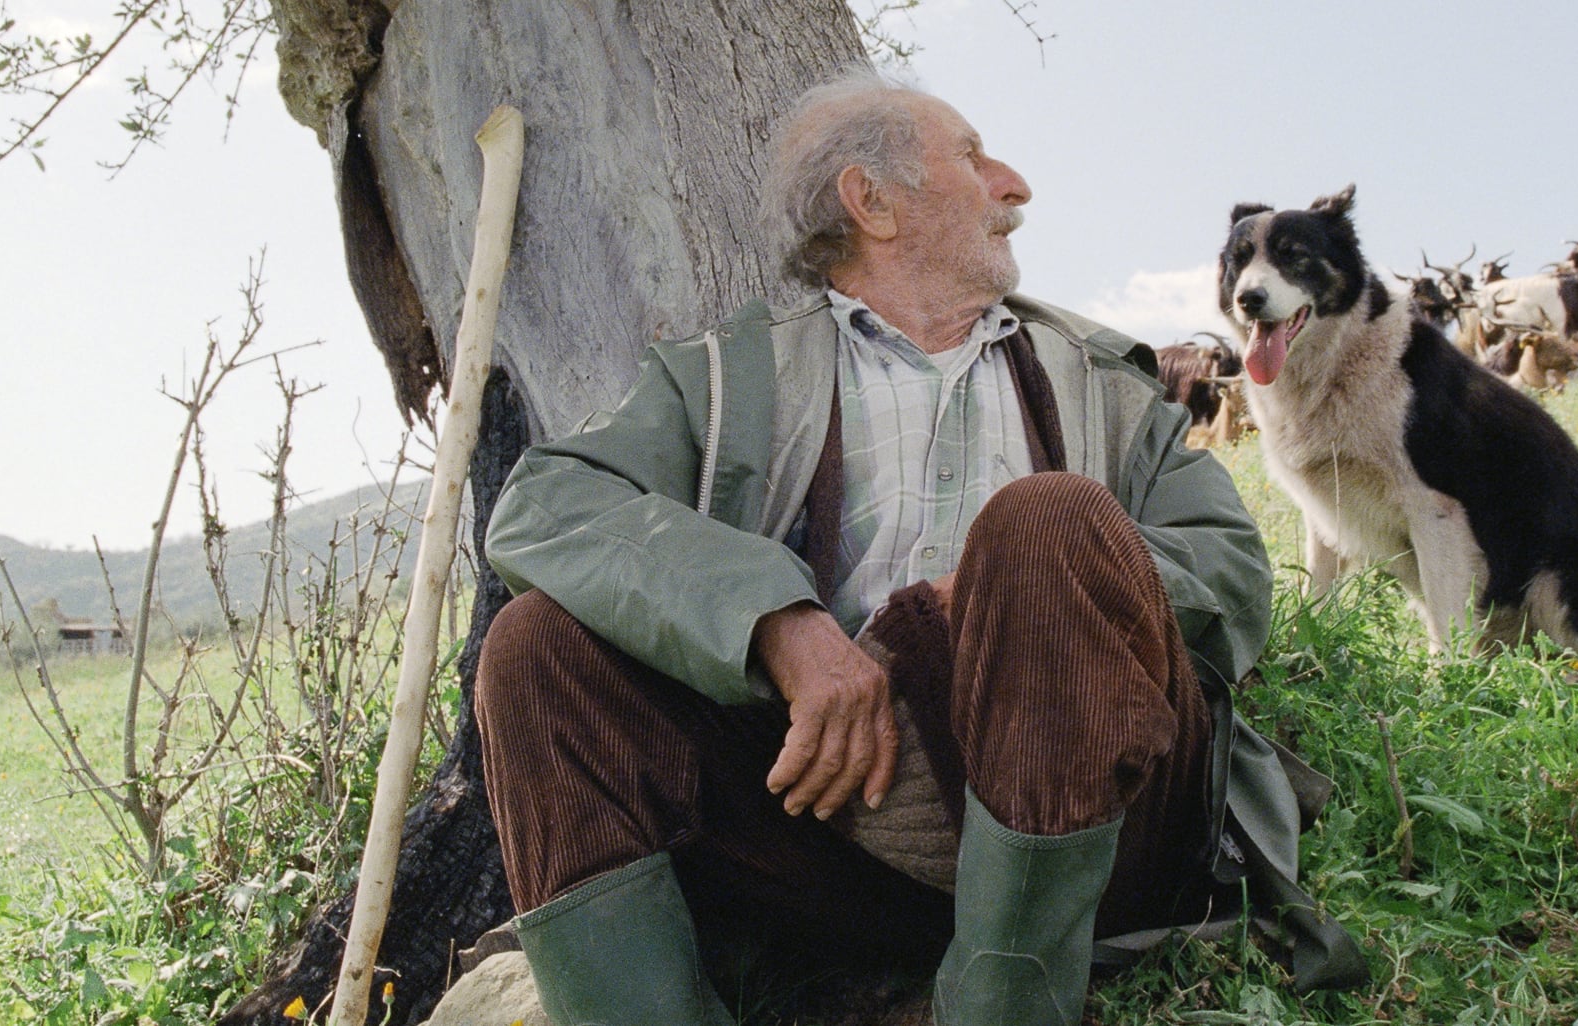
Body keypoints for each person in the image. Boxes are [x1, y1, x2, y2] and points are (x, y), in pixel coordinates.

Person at [473, 68, 1360, 1026]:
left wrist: (1020, 595)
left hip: (1098, 817)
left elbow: (1230, 569)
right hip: (828, 819)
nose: (1015, 186)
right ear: (872, 201)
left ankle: (1006, 1004)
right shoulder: (727, 377)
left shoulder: (1103, 379)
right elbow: (545, 505)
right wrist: (777, 623)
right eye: (974, 157)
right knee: (532, 648)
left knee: (1045, 522)